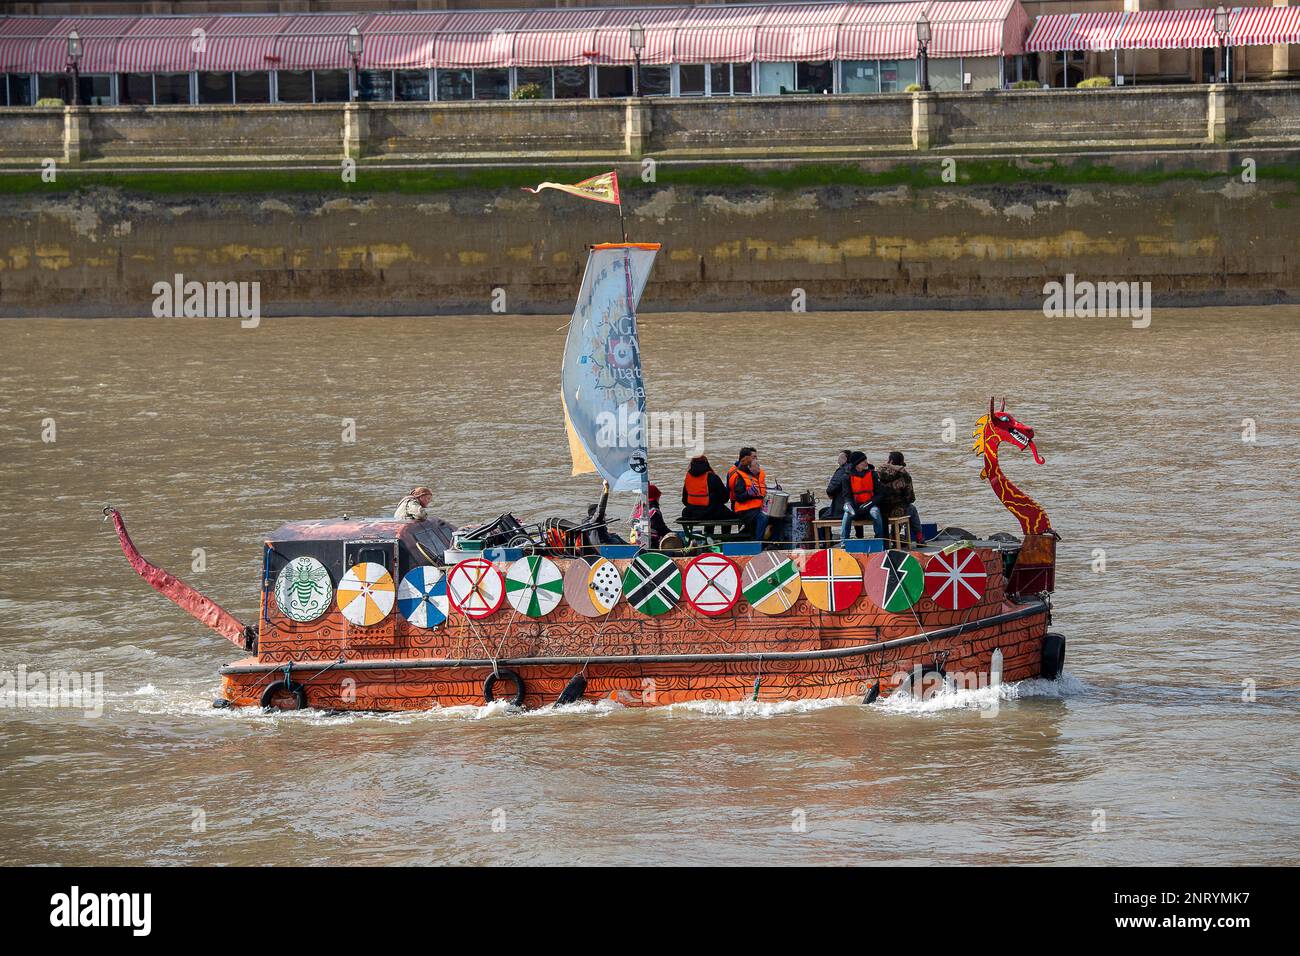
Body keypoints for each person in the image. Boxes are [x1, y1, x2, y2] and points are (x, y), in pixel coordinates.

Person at [875, 451, 924, 544]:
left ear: (890, 461)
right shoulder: (904, 476)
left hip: (880, 510)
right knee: (911, 509)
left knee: (901, 508)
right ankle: (919, 538)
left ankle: (892, 536)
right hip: (896, 510)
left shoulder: (879, 473)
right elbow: (910, 498)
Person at [727, 446, 769, 542]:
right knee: (762, 518)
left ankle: (775, 542)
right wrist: (749, 493)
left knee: (776, 516)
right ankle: (758, 543)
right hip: (744, 508)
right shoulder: (738, 475)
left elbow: (762, 490)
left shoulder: (757, 474)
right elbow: (736, 496)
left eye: (756, 458)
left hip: (756, 506)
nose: (756, 461)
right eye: (753, 458)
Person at [840, 452, 883, 541]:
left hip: (870, 506)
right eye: (863, 461)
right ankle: (844, 542)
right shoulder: (847, 476)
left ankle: (879, 540)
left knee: (875, 512)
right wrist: (848, 505)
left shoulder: (873, 474)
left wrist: (868, 504)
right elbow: (847, 496)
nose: (866, 463)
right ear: (856, 464)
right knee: (847, 514)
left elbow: (879, 495)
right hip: (855, 507)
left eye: (866, 460)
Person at [681, 455, 734, 521]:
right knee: (727, 514)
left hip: (691, 513)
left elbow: (685, 501)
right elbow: (725, 498)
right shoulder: (712, 477)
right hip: (711, 513)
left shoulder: (688, 478)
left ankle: (707, 531)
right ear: (706, 463)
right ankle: (726, 532)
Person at [630, 484, 672, 548]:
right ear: (655, 498)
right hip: (650, 543)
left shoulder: (638, 509)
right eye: (658, 497)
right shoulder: (654, 511)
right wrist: (673, 534)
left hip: (636, 541)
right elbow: (662, 529)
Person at [823, 449, 854, 521]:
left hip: (842, 508)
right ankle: (859, 532)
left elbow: (831, 489)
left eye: (840, 458)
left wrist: (830, 493)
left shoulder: (842, 470)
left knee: (823, 514)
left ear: (845, 459)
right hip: (856, 506)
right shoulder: (856, 469)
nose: (838, 460)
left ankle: (826, 533)